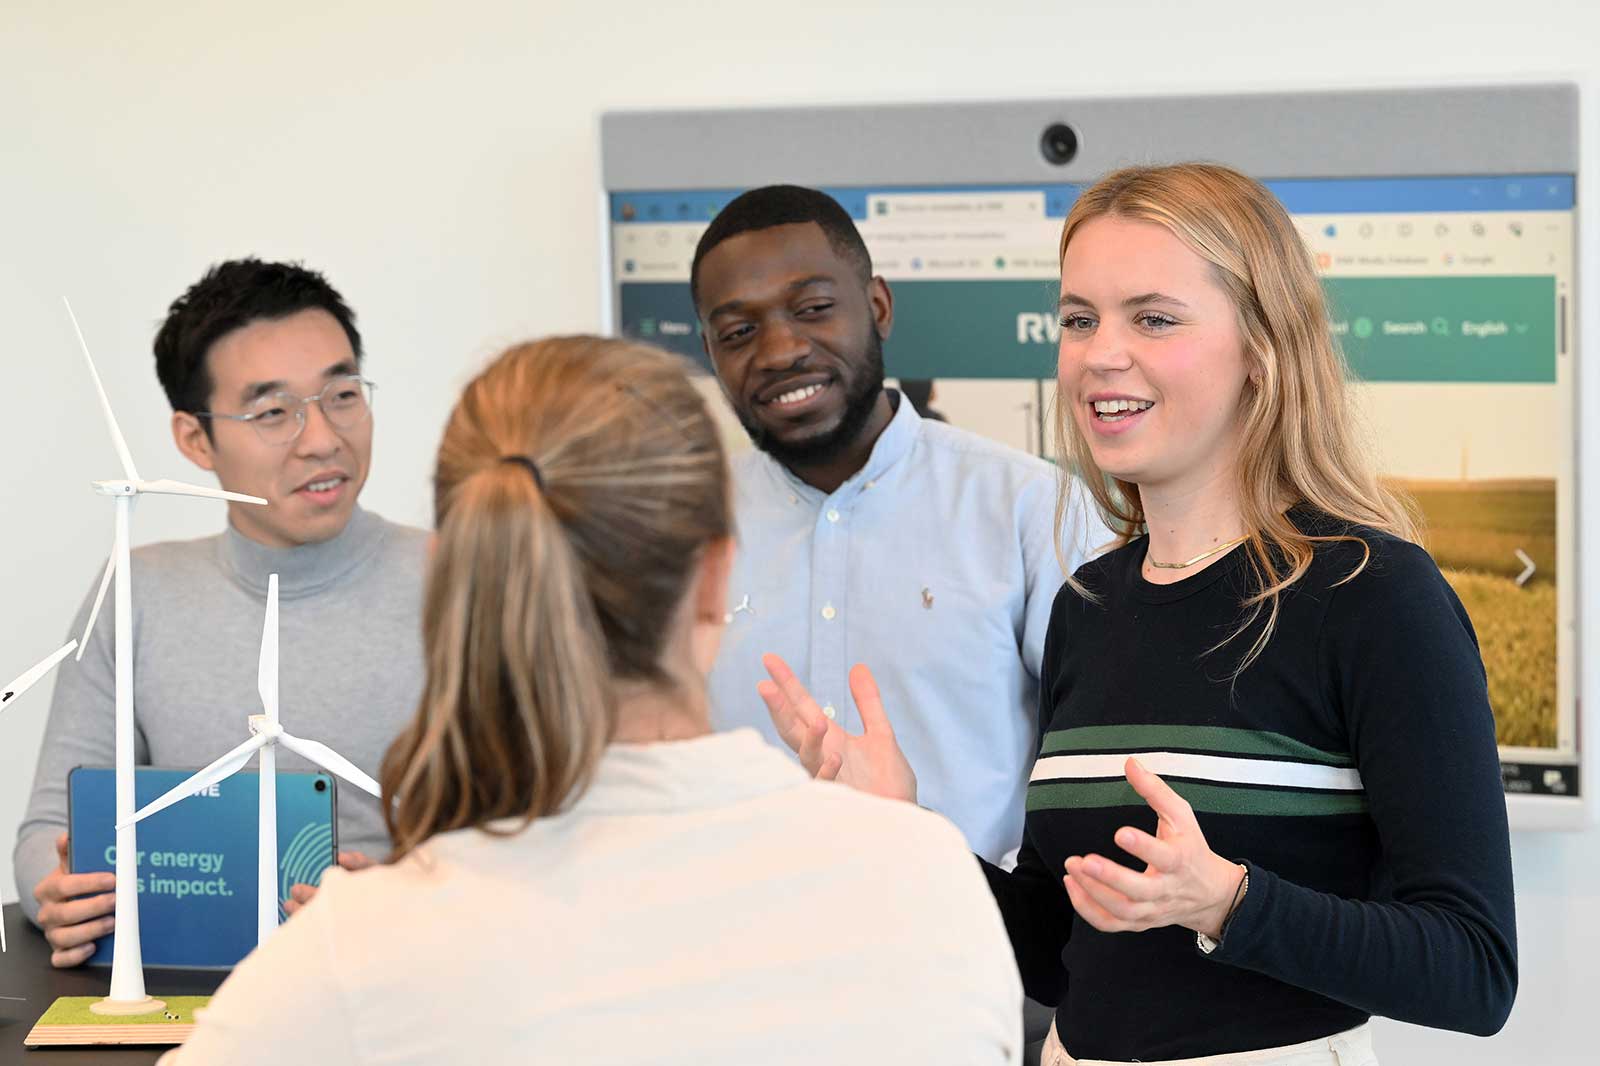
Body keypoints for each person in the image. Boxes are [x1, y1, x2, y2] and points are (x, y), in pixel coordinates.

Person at [763, 164, 1516, 1064]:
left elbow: (1474, 970)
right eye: (1078, 319)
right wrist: (908, 837)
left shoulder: (1372, 595)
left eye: (1152, 318)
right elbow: (1055, 951)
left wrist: (1227, 901)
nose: (1098, 353)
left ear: (1261, 348)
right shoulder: (1090, 603)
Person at [159, 336, 1022, 1065]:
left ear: (466, 585)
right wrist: (881, 836)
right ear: (716, 577)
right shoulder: (926, 883)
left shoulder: (355, 954)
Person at [15, 258, 427, 966]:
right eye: (274, 412)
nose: (323, 437)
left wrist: (403, 899)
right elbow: (52, 825)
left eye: (343, 393)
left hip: (408, 983)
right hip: (189, 994)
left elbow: (545, 832)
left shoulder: (468, 582)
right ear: (195, 439)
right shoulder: (137, 590)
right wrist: (53, 891)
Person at [693, 185, 1108, 867]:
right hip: (742, 959)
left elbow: (1095, 779)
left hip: (968, 952)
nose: (778, 351)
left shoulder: (1032, 510)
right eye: (739, 332)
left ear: (878, 308)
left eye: (814, 309)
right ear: (712, 354)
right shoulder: (680, 532)